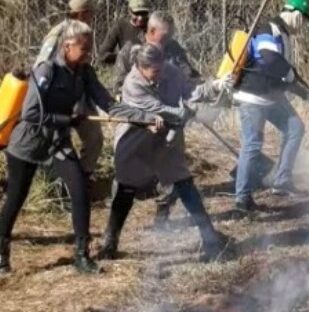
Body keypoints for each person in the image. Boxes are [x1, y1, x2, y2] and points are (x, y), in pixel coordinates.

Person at [0, 21, 153, 275]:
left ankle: (82, 255)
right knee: (16, 198)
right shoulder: (46, 71)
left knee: (80, 189)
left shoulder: (85, 72)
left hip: (57, 143)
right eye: (83, 48)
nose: (88, 53)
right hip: (28, 143)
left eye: (90, 48)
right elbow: (30, 114)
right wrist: (67, 120)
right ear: (67, 45)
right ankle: (2, 253)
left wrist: (139, 117)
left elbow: (107, 103)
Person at [97, 44, 232, 263]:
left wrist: (215, 86)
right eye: (155, 72)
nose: (160, 75)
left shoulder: (169, 70)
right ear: (141, 67)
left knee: (185, 184)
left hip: (166, 141)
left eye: (161, 69)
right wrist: (186, 113)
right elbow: (161, 111)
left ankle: (210, 240)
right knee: (125, 189)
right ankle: (110, 242)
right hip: (136, 141)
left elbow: (192, 91)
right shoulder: (132, 84)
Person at [233, 0, 309, 213]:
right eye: (304, 18)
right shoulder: (268, 29)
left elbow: (284, 77)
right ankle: (242, 199)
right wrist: (291, 73)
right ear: (292, 12)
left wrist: (307, 94)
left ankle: (282, 181)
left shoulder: (284, 35)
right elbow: (268, 60)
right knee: (252, 144)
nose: (304, 24)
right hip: (253, 98)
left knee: (295, 128)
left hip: (272, 96)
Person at [113, 11, 202, 228]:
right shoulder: (129, 51)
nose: (168, 42)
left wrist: (205, 91)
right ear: (151, 32)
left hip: (169, 127)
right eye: (164, 37)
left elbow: (189, 79)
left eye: (170, 37)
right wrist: (142, 111)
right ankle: (111, 236)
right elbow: (117, 87)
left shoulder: (173, 51)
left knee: (176, 177)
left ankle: (163, 218)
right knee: (127, 183)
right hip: (137, 127)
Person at [35, 0, 104, 177]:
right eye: (90, 14)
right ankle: (57, 183)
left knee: (94, 137)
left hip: (80, 94)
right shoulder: (59, 34)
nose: (92, 18)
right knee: (58, 144)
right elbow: (41, 67)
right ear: (82, 13)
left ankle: (84, 177)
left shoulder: (84, 33)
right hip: (58, 98)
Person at [98, 0, 151, 65]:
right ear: (129, 11)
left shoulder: (153, 26)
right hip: (128, 71)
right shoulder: (120, 26)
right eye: (136, 13)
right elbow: (103, 55)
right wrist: (124, 58)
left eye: (143, 13)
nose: (140, 18)